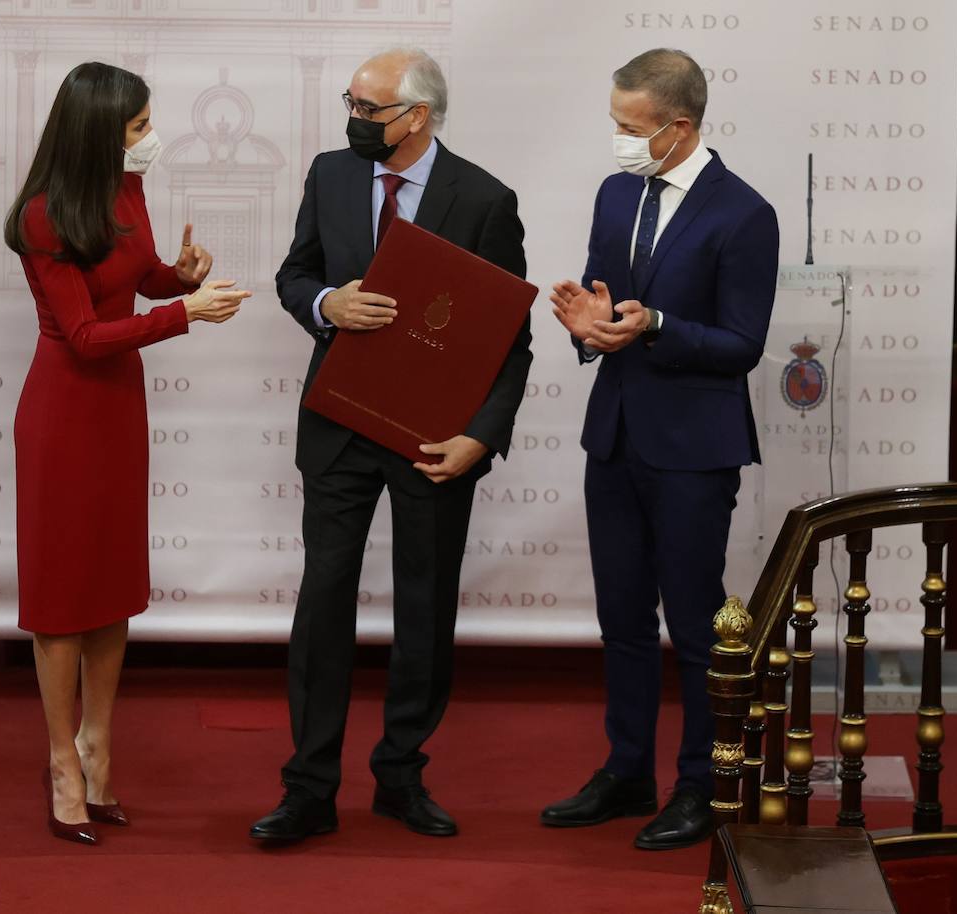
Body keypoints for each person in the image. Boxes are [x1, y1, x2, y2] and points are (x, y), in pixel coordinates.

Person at [249, 47, 532, 845]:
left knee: (424, 605)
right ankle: (308, 786)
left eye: (369, 109)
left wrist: (481, 436)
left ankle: (401, 775)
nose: (353, 120)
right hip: (337, 425)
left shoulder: (483, 199)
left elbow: (511, 338)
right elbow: (293, 275)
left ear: (418, 117)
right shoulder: (330, 175)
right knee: (324, 601)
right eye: (351, 103)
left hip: (432, 440)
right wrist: (327, 303)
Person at [4, 61, 250, 846]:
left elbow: (133, 279)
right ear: (99, 131)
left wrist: (174, 275)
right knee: (61, 596)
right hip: (65, 411)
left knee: (111, 587)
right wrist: (185, 313)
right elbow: (82, 335)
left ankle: (99, 746)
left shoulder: (128, 189)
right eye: (140, 127)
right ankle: (60, 763)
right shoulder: (42, 215)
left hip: (118, 410)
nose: (150, 139)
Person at [543, 48, 778, 850]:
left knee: (694, 620)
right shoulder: (618, 195)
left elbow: (743, 343)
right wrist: (588, 326)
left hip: (693, 447)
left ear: (678, 128)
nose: (619, 141)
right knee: (622, 619)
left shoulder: (745, 213)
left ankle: (702, 784)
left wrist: (659, 327)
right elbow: (602, 301)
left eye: (630, 128)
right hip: (614, 435)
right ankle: (627, 770)